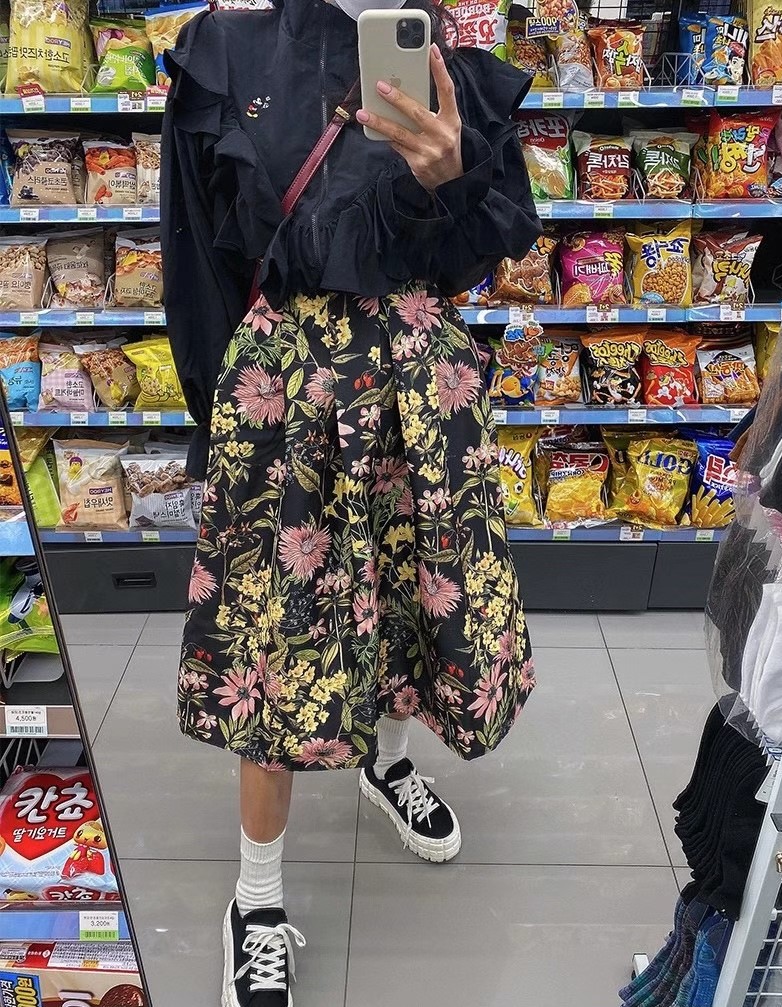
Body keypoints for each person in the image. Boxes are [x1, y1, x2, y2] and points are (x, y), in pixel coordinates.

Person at [162, 0, 540, 1002]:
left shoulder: (454, 69)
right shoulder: (226, 55)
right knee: (275, 645)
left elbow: (479, 256)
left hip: (418, 391)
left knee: (413, 595)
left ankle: (387, 760)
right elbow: (198, 262)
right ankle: (255, 897)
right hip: (285, 395)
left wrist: (451, 176)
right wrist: (223, 419)